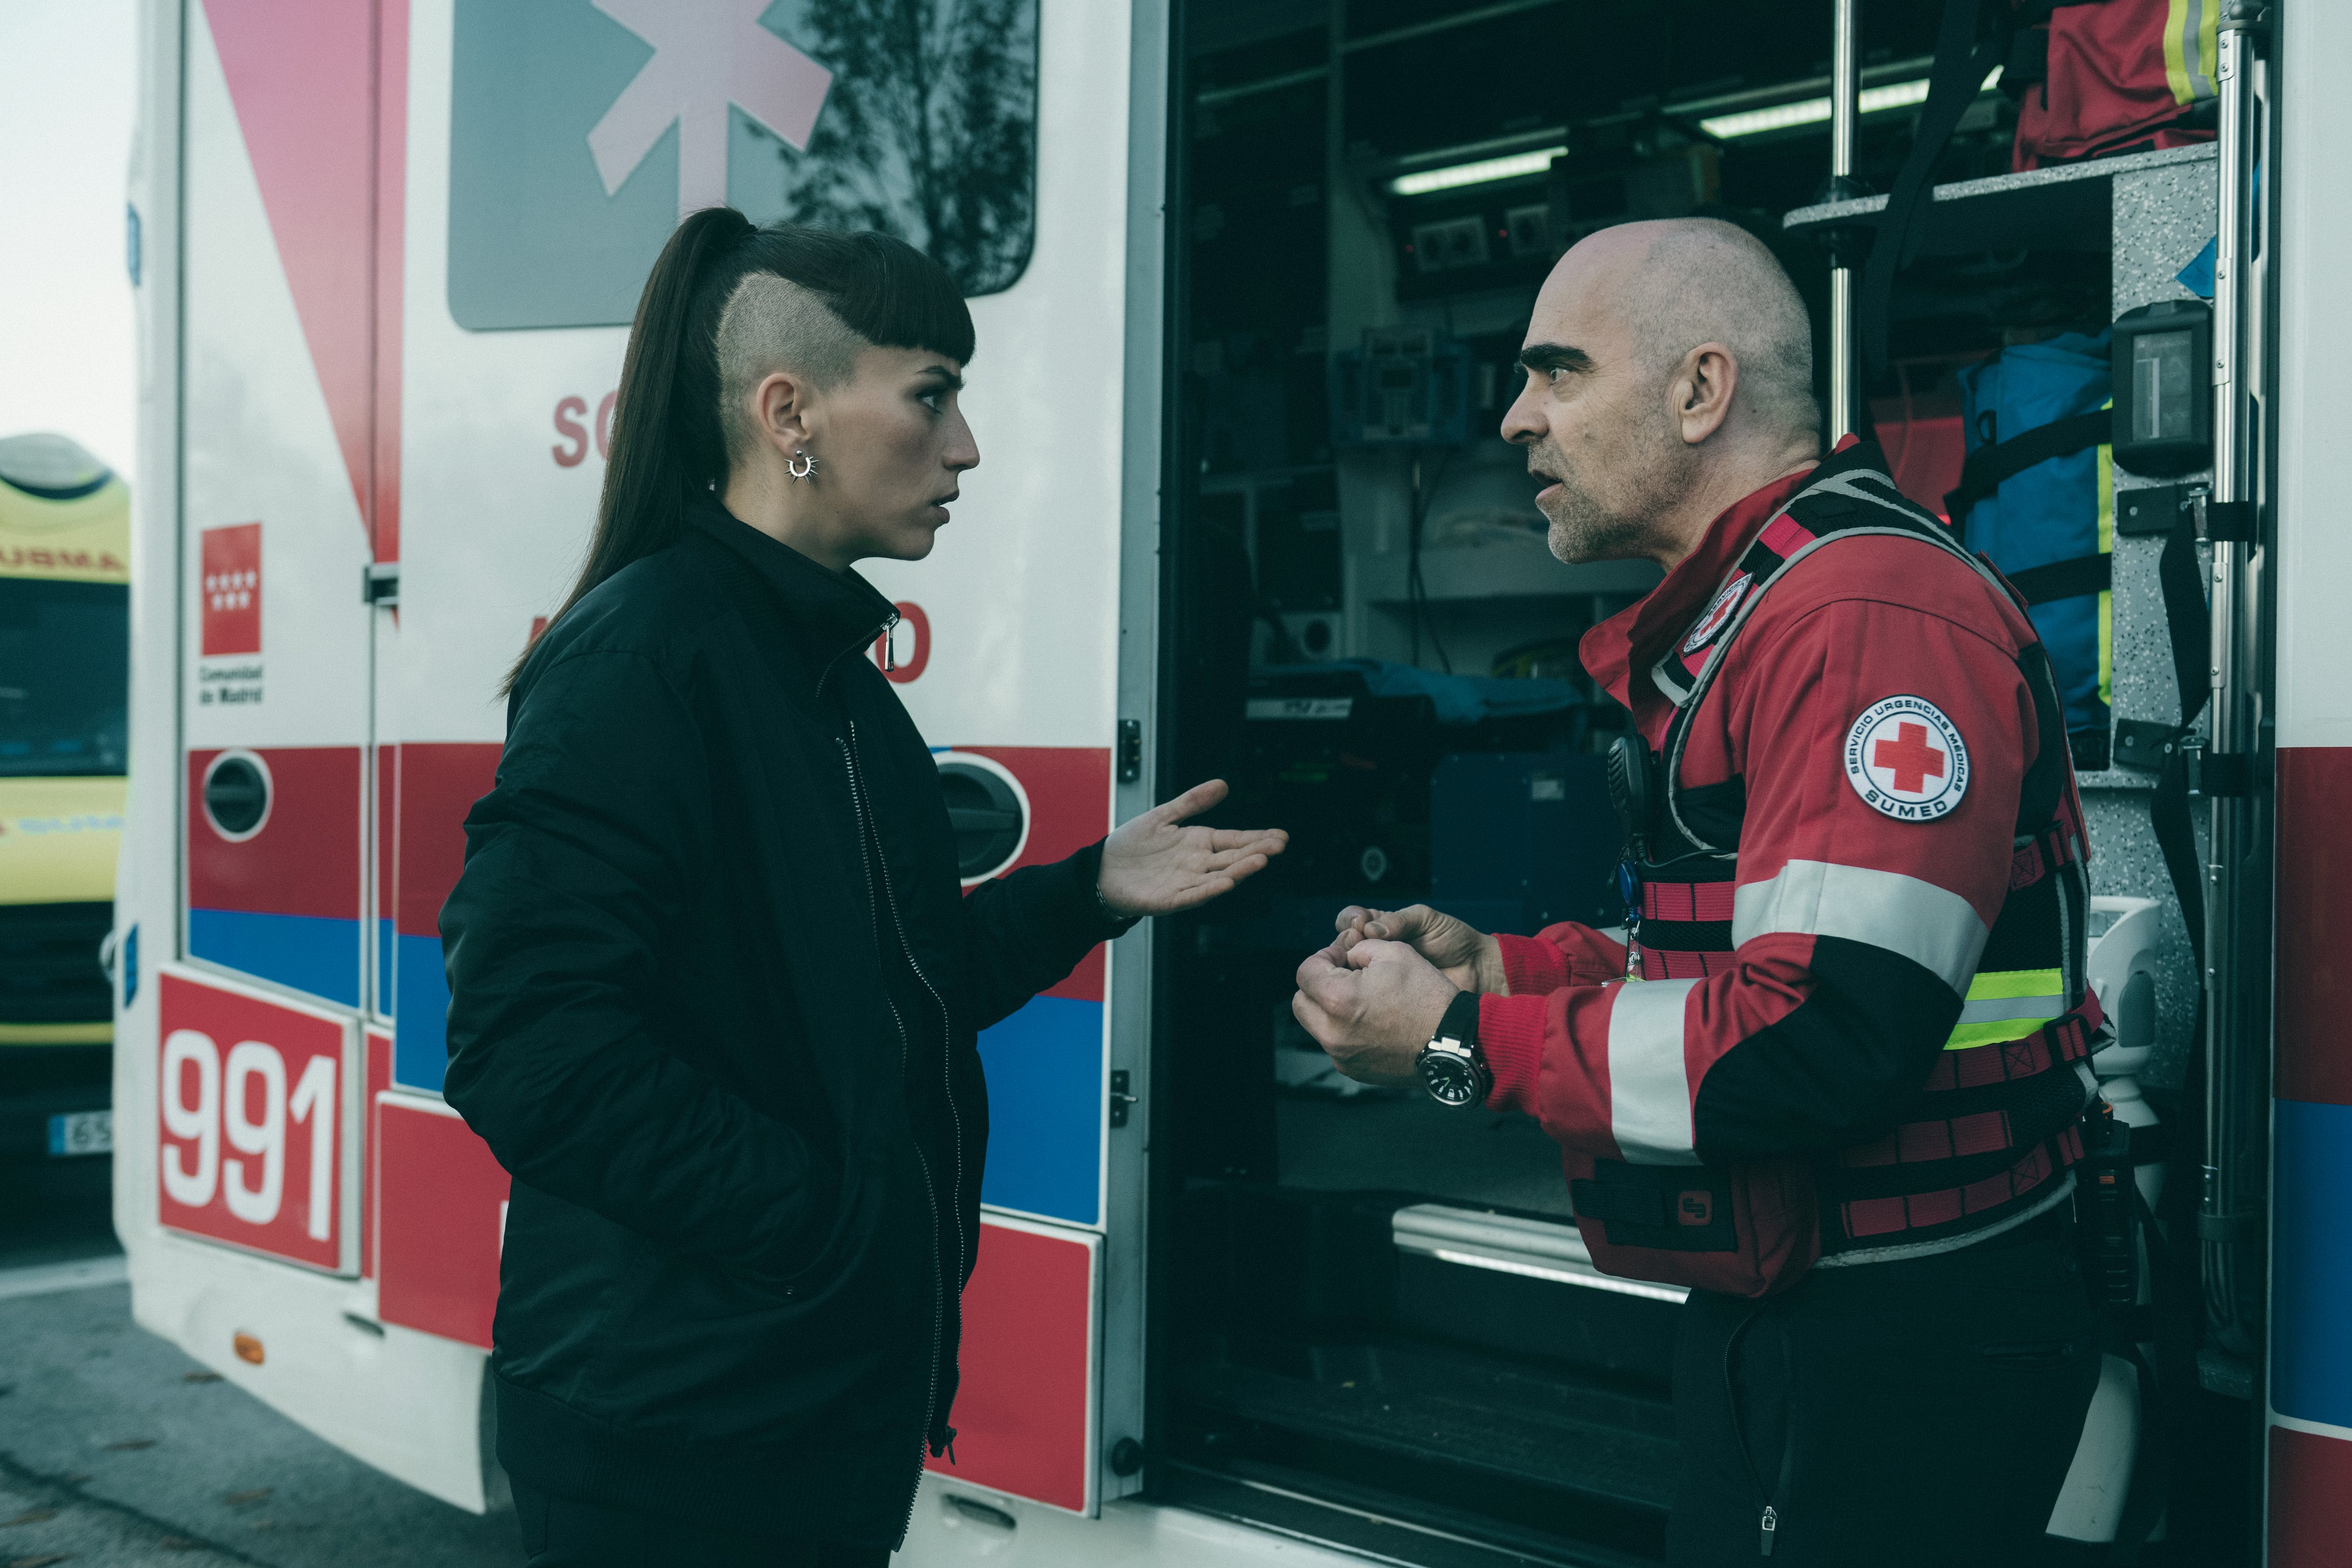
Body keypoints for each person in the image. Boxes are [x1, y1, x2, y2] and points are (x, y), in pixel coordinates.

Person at [439, 210, 1286, 1568]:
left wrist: (1087, 890)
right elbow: (529, 1047)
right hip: (676, 1434)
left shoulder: (829, 677)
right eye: (931, 396)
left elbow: (893, 983)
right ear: (792, 413)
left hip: (814, 1402)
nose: (965, 446)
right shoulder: (640, 661)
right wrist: (826, 1227)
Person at [1292, 218, 2104, 1567]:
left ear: (1697, 390)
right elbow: (1748, 956)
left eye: (1555, 373)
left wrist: (1450, 1047)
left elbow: (1814, 1034)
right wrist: (1504, 973)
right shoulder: (1774, 608)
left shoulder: (1862, 614)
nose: (1513, 419)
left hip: (1899, 1341)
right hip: (1811, 1314)